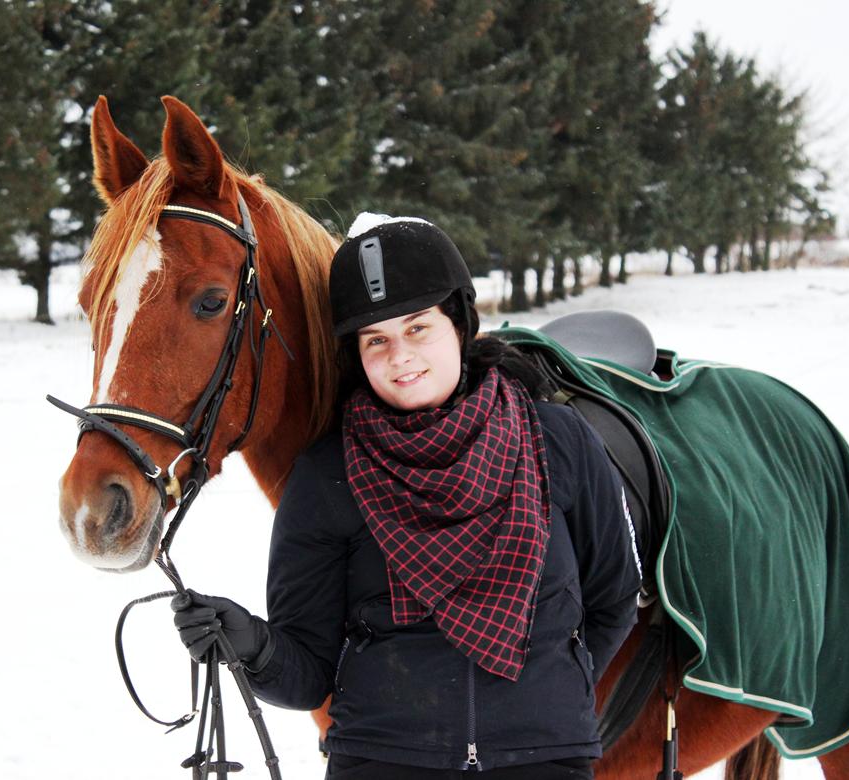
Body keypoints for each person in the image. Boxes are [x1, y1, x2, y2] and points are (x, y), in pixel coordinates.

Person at [173, 214, 642, 778]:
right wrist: (252, 645)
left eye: (418, 327)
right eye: (377, 340)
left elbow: (613, 597)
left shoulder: (557, 442)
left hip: (546, 761)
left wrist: (555, 689)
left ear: (460, 323)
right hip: (383, 761)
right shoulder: (327, 475)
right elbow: (309, 674)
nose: (400, 357)